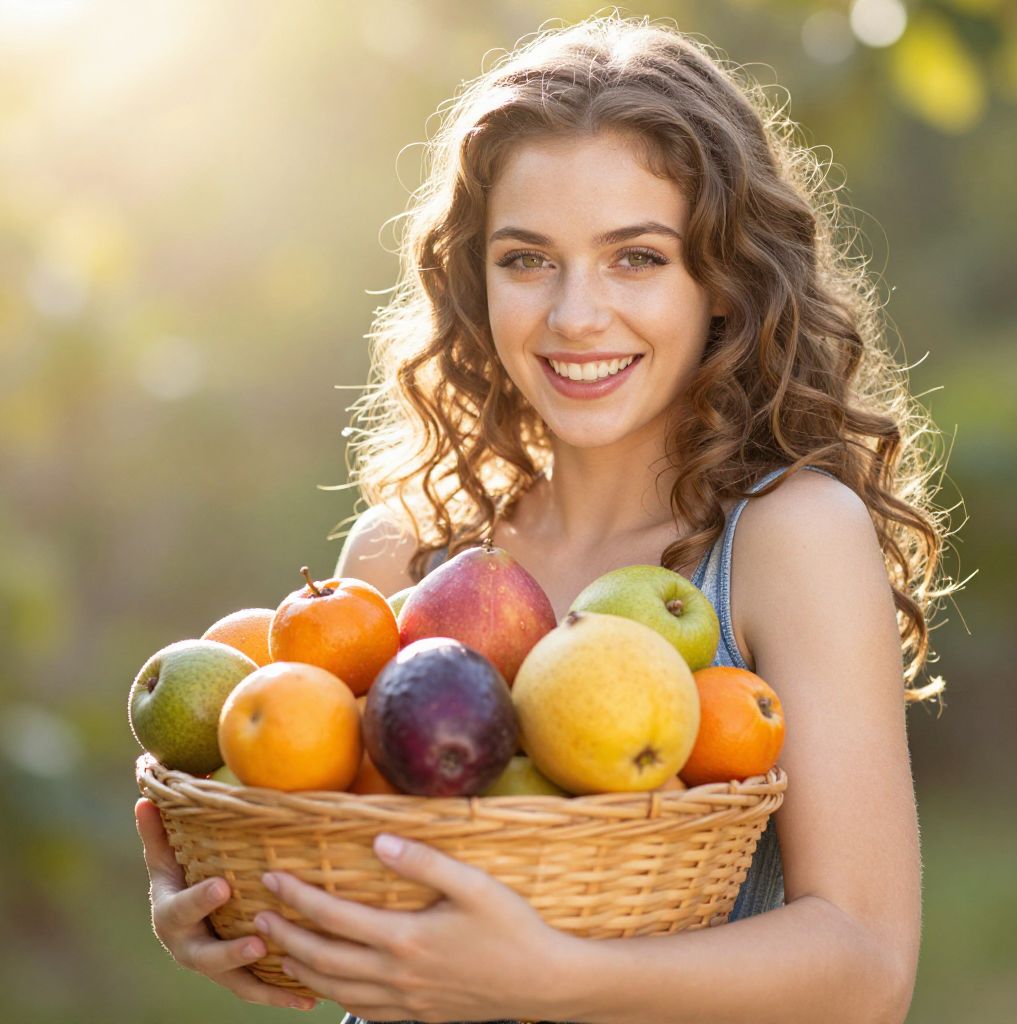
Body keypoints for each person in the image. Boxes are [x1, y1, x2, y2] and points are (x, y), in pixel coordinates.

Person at [135, 13, 955, 1023]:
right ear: (474, 279)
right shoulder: (404, 553)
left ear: (724, 282)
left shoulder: (788, 536)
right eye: (527, 259)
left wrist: (554, 979)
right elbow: (354, 880)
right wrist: (239, 918)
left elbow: (866, 966)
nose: (574, 315)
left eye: (636, 258)